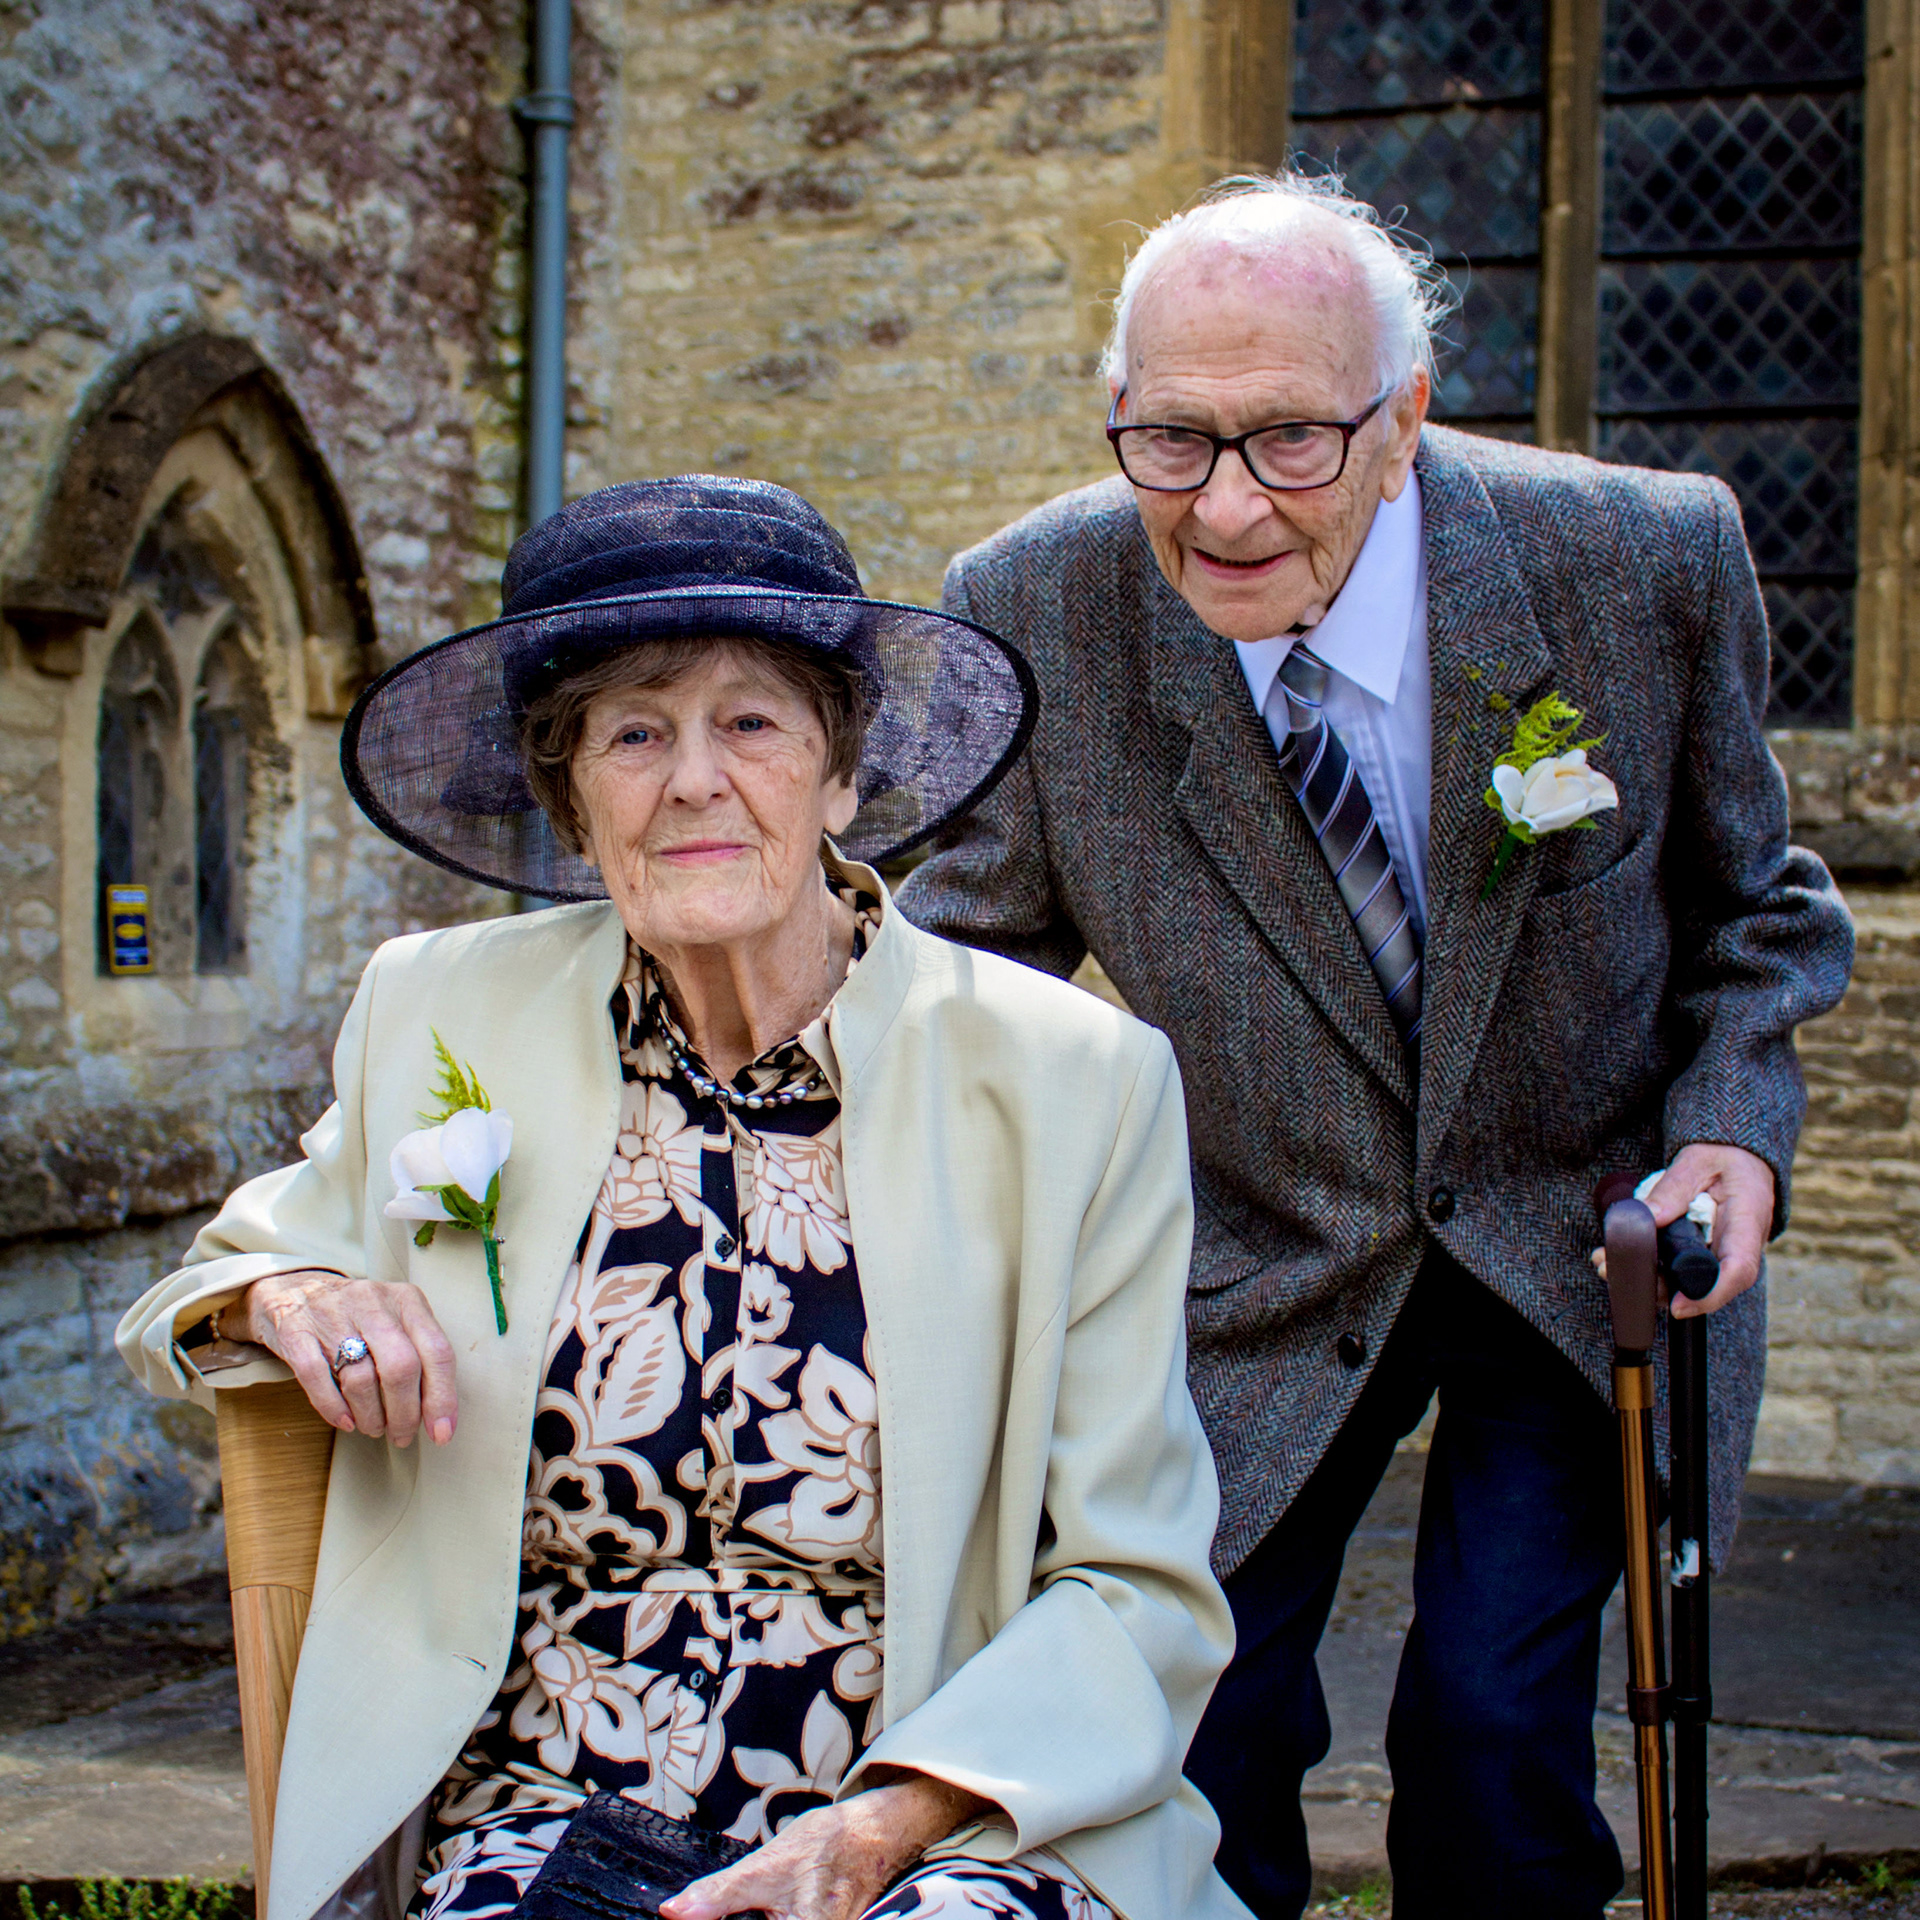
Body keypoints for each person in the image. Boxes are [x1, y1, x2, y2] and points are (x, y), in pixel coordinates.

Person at [896, 173, 1856, 1917]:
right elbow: (960, 974)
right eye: (1171, 440)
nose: (1227, 507)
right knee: (1194, 1717)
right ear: (1116, 411)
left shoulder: (1638, 560)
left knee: (1490, 1729)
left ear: (1405, 417)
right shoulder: (1039, 602)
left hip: (1572, 1241)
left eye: (1290, 440)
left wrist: (1733, 1127)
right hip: (1259, 1250)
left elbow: (1758, 911)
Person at [118, 477, 1245, 1920]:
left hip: (934, 1813)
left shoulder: (1075, 1081)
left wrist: (886, 1829)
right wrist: (293, 1291)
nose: (695, 780)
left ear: (841, 778)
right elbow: (201, 1296)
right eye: (634, 734)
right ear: (571, 801)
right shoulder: (444, 1012)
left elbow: (1133, 1581)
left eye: (752, 724)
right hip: (543, 1803)